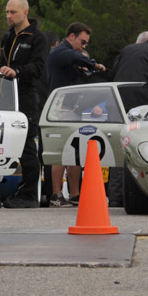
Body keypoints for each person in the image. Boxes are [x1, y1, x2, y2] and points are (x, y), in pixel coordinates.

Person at [0, 0, 47, 209]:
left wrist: (17, 72)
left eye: (13, 12)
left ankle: (28, 195)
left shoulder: (37, 38)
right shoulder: (7, 37)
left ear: (25, 12)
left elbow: (38, 67)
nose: (8, 16)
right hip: (1, 96)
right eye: (6, 12)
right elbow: (1, 63)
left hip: (24, 98)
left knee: (26, 145)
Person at [45, 22, 106, 206]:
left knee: (75, 152)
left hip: (72, 109)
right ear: (71, 36)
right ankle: (56, 195)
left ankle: (75, 194)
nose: (84, 46)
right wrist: (94, 64)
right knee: (61, 152)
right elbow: (75, 56)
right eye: (82, 41)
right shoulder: (59, 52)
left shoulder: (70, 56)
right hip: (61, 108)